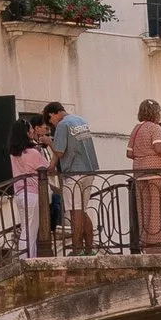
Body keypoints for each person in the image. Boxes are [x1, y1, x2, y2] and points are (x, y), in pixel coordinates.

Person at [43, 99, 99, 242]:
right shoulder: (81, 120)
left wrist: (49, 142)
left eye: (51, 121)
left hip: (74, 173)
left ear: (53, 114)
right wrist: (52, 166)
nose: (52, 125)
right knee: (83, 211)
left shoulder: (63, 125)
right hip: (89, 170)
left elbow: (60, 152)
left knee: (75, 212)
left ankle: (77, 247)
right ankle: (89, 247)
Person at [128, 98, 161, 247]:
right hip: (157, 173)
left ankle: (145, 242)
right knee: (157, 209)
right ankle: (157, 243)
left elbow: (129, 153)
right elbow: (159, 148)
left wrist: (143, 156)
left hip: (140, 174)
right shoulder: (155, 128)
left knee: (144, 209)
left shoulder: (137, 128)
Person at [9, 114, 52, 259]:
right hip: (33, 194)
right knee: (30, 232)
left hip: (20, 194)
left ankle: (24, 258)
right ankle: (27, 260)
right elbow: (48, 169)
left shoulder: (14, 154)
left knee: (25, 229)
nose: (33, 132)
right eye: (30, 131)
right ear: (27, 133)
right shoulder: (33, 153)